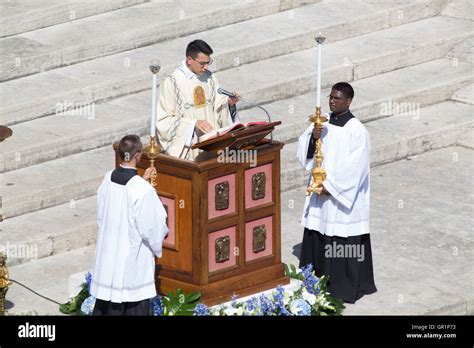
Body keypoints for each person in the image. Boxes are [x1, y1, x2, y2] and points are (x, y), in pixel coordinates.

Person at [297, 82, 377, 303]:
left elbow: (357, 167)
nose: (332, 101)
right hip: (320, 193)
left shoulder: (357, 130)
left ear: (348, 101)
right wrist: (313, 138)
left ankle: (341, 287)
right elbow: (305, 152)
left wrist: (330, 187)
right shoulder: (321, 124)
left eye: (337, 98)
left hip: (339, 195)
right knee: (319, 234)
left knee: (340, 240)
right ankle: (315, 280)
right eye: (330, 97)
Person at [90, 134, 169, 315]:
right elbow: (153, 228)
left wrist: (141, 180)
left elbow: (103, 214)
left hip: (109, 258)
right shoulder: (143, 190)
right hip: (131, 264)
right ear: (138, 156)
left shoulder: (108, 178)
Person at [156, 39, 240, 159]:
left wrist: (229, 104)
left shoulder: (209, 78)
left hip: (212, 147)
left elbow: (218, 107)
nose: (206, 67)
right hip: (190, 151)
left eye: (208, 62)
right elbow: (163, 121)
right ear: (190, 60)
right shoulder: (172, 82)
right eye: (202, 63)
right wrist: (192, 124)